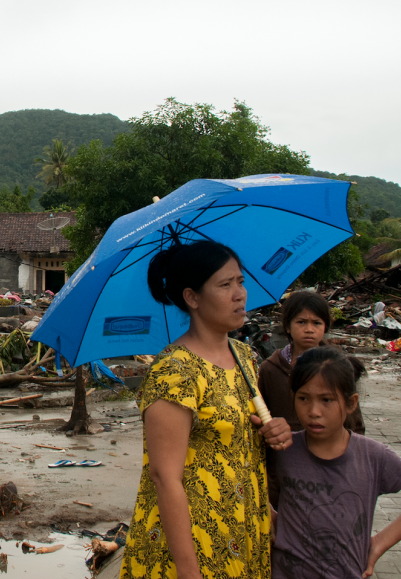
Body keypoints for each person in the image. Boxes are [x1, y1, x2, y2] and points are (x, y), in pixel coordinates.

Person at [121, 241, 293, 579]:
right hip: (193, 546)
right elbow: (164, 477)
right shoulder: (175, 372)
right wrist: (189, 572)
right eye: (225, 285)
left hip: (242, 530)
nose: (239, 294)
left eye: (240, 282)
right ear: (192, 298)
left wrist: (275, 430)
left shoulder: (243, 357)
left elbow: (238, 440)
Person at [271, 347, 401, 578]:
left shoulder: (373, 456)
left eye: (327, 400)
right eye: (303, 398)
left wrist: (379, 543)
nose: (313, 411)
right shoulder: (283, 449)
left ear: (351, 403)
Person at [258, 291, 365, 435]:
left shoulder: (338, 366)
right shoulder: (270, 369)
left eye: (316, 323)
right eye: (301, 322)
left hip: (330, 450)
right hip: (285, 450)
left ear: (325, 327)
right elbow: (260, 416)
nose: (309, 329)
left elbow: (355, 423)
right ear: (288, 326)